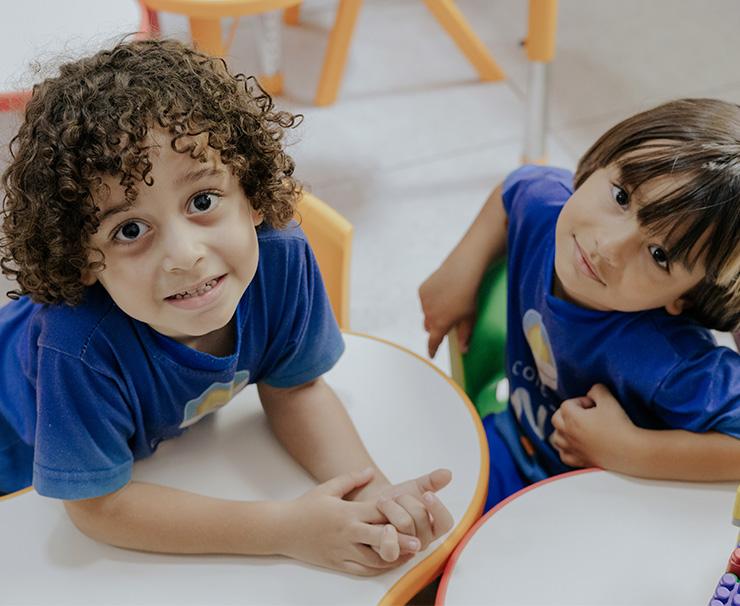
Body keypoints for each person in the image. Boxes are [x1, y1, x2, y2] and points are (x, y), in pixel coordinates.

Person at [0, 37, 454, 575]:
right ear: (82, 262)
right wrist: (287, 529)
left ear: (253, 194)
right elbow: (98, 506)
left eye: (202, 201)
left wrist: (373, 498)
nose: (185, 256)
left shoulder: (281, 261)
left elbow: (296, 388)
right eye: (130, 229)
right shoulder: (76, 346)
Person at [420, 98, 740, 511]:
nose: (607, 246)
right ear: (598, 164)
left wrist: (630, 451)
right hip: (510, 448)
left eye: (660, 255)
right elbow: (519, 184)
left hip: (606, 510)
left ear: (686, 297)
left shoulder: (669, 358)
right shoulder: (544, 209)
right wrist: (461, 265)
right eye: (622, 197)